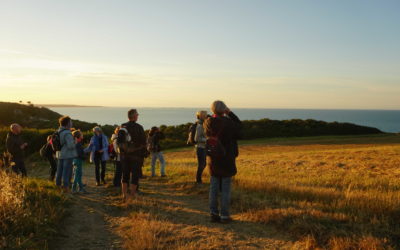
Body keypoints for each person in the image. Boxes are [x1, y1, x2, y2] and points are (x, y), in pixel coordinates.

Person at [204, 100, 241, 224]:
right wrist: (230, 113)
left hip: (213, 158)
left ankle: (213, 214)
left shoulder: (208, 122)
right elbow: (240, 129)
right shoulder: (229, 123)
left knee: (213, 187)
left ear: (212, 110)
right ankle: (224, 215)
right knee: (225, 188)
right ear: (224, 110)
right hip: (227, 158)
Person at [118, 109, 147, 201]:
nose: (138, 116)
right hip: (136, 156)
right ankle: (132, 195)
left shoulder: (123, 127)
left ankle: (124, 195)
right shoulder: (139, 127)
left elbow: (119, 142)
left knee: (125, 175)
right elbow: (143, 143)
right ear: (134, 116)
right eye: (137, 114)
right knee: (135, 176)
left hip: (125, 156)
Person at [55, 116, 77, 193]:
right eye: (70, 122)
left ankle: (57, 186)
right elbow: (70, 146)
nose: (72, 123)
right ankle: (66, 187)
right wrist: (75, 142)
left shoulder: (58, 131)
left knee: (59, 171)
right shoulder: (67, 133)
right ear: (67, 123)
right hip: (67, 155)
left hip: (59, 154)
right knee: (66, 171)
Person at [194, 111, 208, 184]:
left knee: (203, 164)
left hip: (203, 147)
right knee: (202, 164)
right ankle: (198, 180)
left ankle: (198, 179)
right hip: (200, 147)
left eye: (205, 114)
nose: (206, 116)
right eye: (204, 115)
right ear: (200, 116)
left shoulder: (203, 124)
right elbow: (196, 139)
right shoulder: (199, 125)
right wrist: (207, 140)